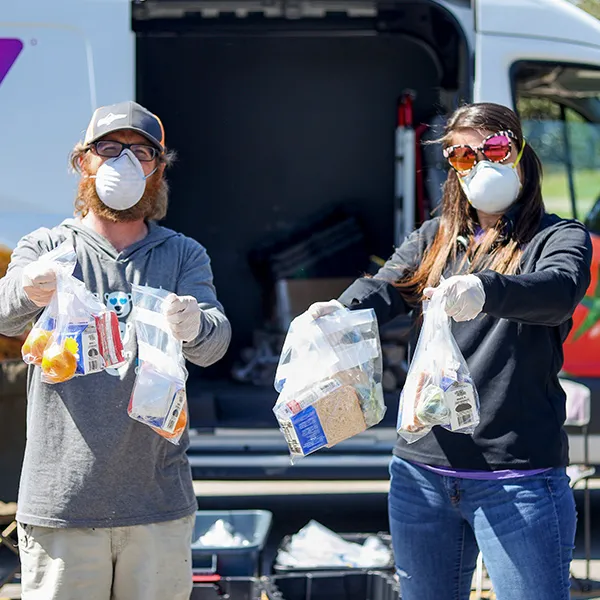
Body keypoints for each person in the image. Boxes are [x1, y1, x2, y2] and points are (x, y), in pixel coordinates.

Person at [309, 103, 592, 600]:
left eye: (494, 149)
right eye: (462, 154)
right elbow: (386, 287)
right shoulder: (436, 237)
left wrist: (487, 289)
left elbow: (557, 291)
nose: (479, 163)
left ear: (521, 153)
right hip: (421, 475)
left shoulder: (557, 236)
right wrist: (338, 310)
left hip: (516, 478)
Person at [0, 101, 231, 600]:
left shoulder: (181, 253)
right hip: (62, 504)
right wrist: (27, 290)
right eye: (110, 148)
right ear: (84, 162)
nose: (124, 162)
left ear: (157, 169)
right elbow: (3, 314)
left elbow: (214, 344)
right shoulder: (48, 247)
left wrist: (194, 324)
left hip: (157, 503)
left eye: (141, 152)